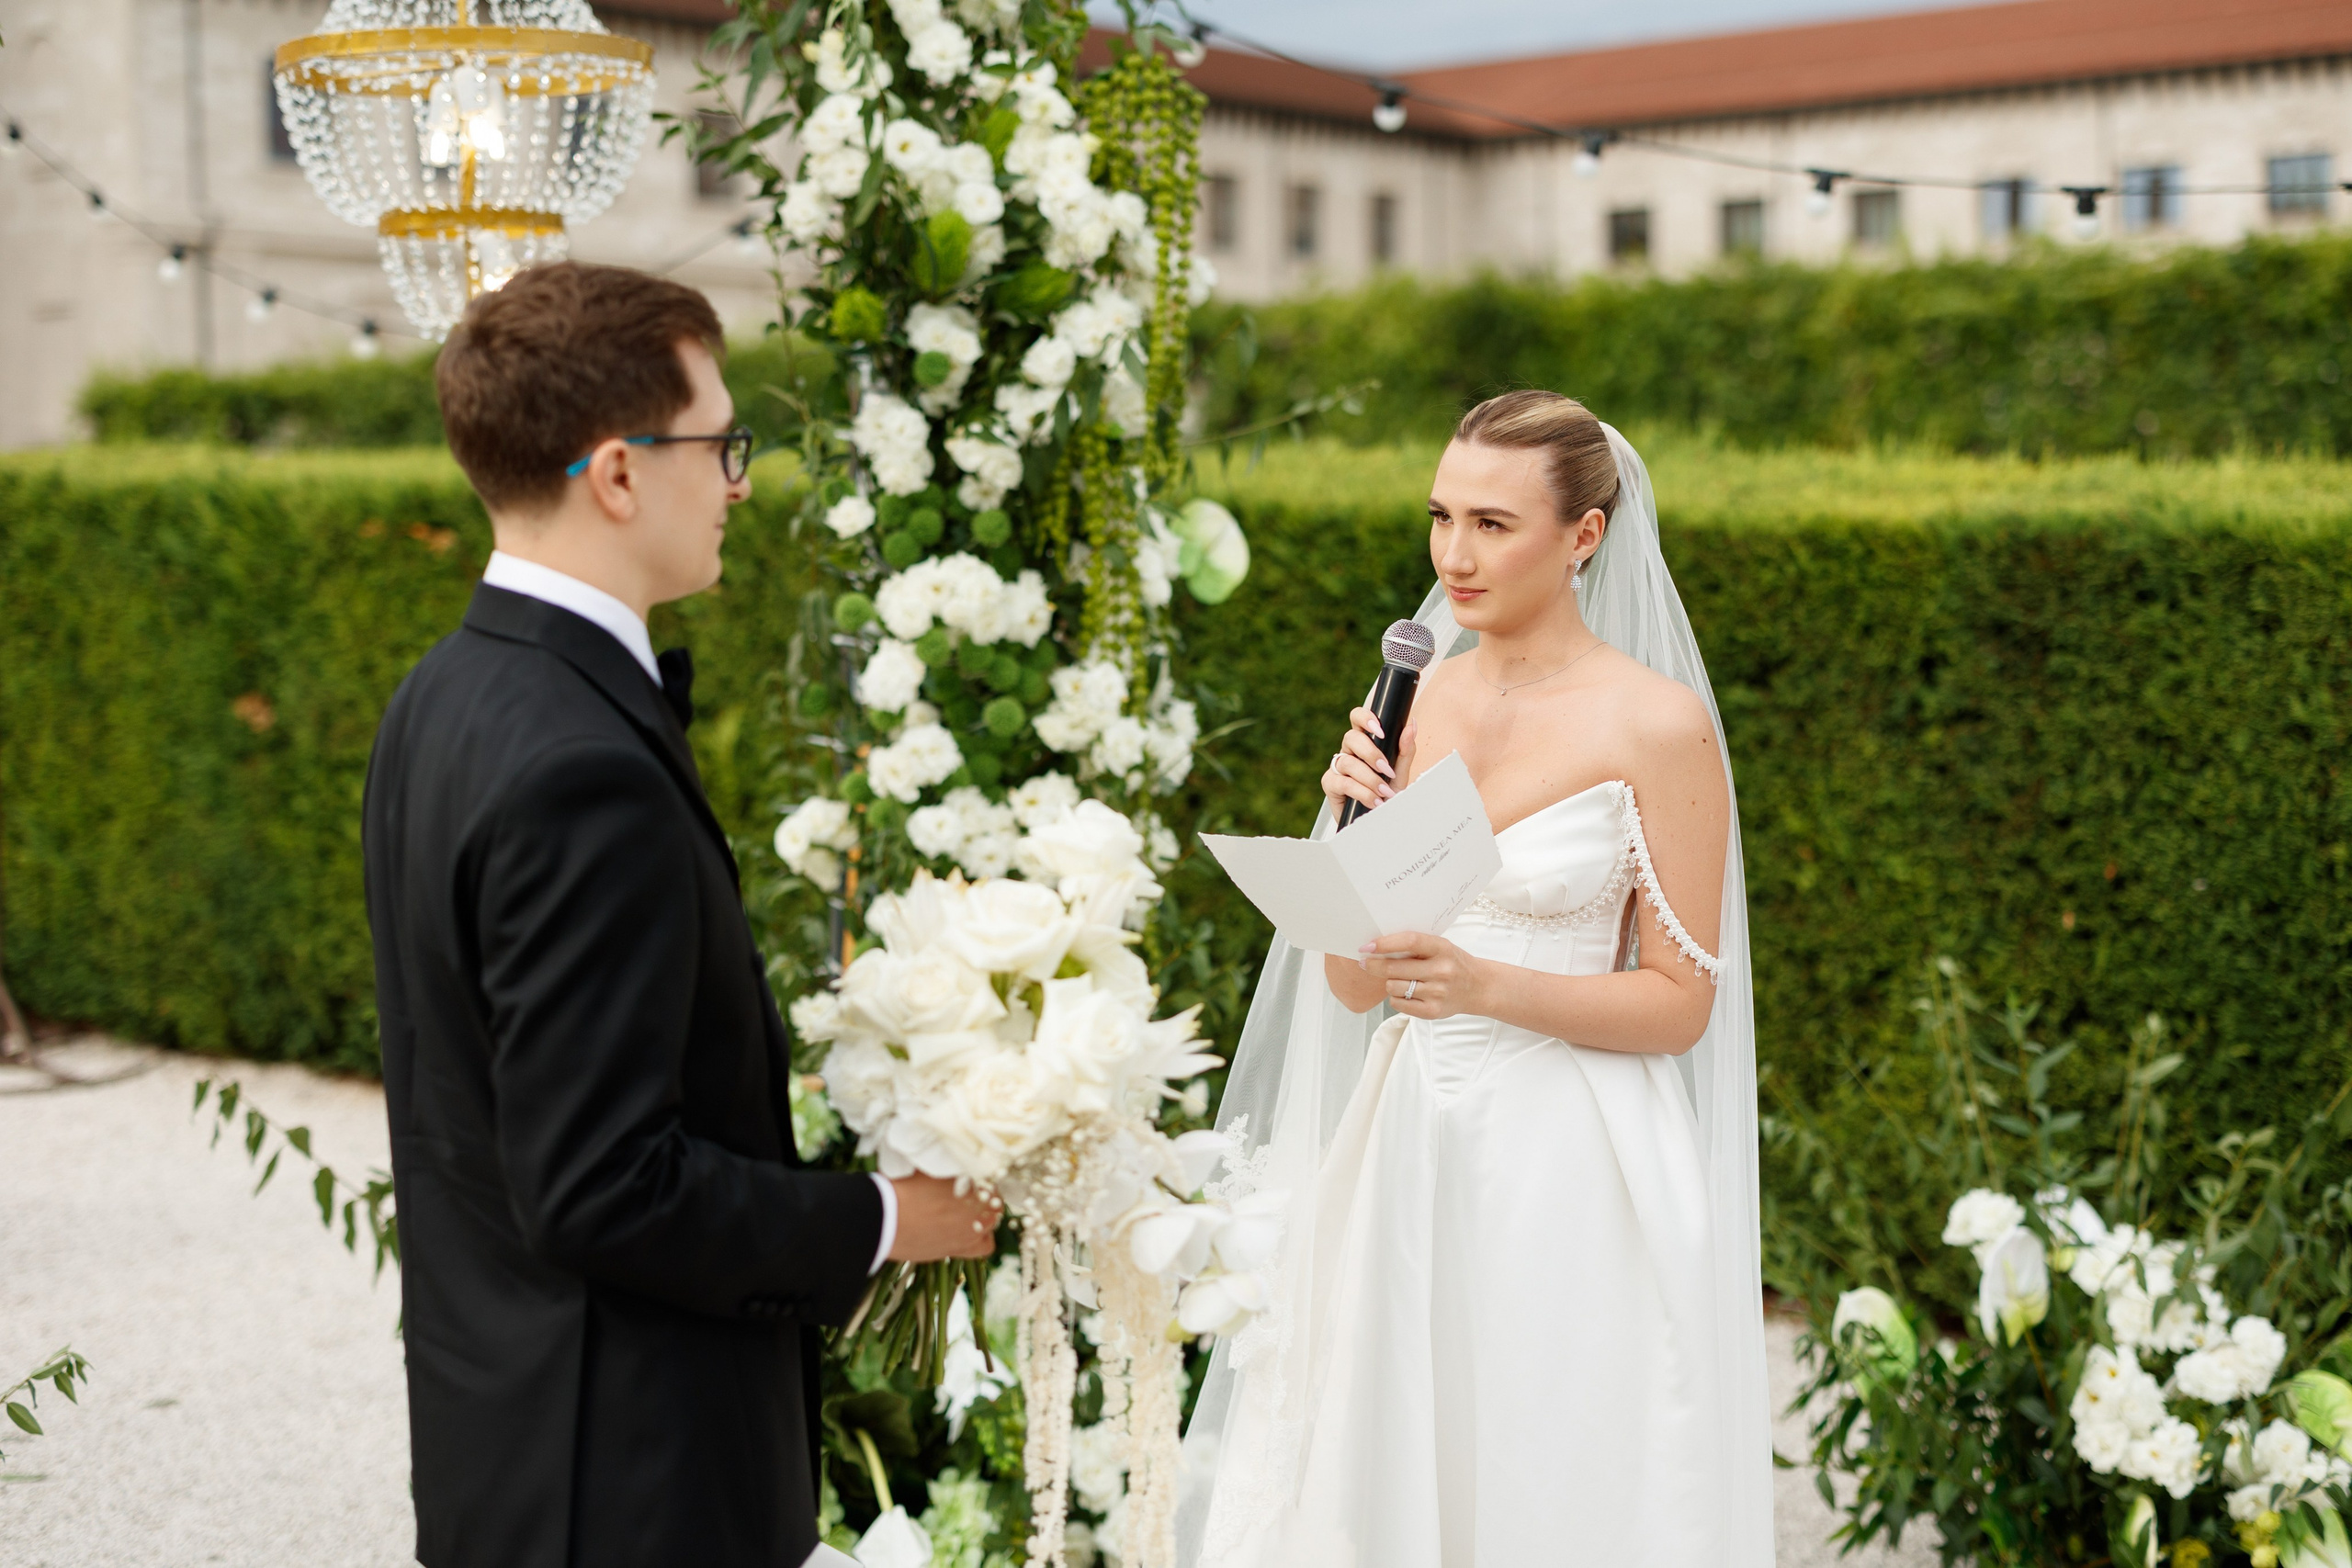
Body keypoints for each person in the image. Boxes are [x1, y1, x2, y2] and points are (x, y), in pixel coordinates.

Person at [362, 262, 1001, 1568]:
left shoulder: (443, 693)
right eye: (721, 444)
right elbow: (601, 1184)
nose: (740, 480)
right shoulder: (576, 763)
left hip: (507, 1424)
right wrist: (888, 1215)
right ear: (616, 471)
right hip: (625, 1472)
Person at [1178, 391, 1773, 1566]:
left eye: (1494, 524)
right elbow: (1355, 990)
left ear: (1585, 537)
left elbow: (1680, 1000)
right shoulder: (1419, 693)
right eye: (1441, 516)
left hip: (1572, 1162)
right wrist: (1350, 838)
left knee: (1543, 1474)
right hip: (1410, 1140)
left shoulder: (1655, 726)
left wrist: (1487, 984)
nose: (1454, 554)